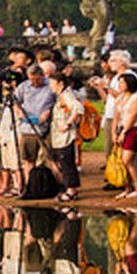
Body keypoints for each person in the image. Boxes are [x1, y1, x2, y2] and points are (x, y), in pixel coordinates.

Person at [49, 73, 83, 201]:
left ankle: (71, 190)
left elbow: (78, 108)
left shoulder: (67, 95)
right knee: (63, 162)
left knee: (67, 162)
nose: (51, 86)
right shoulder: (61, 96)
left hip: (65, 136)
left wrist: (68, 124)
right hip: (59, 135)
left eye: (52, 83)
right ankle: (68, 187)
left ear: (60, 83)